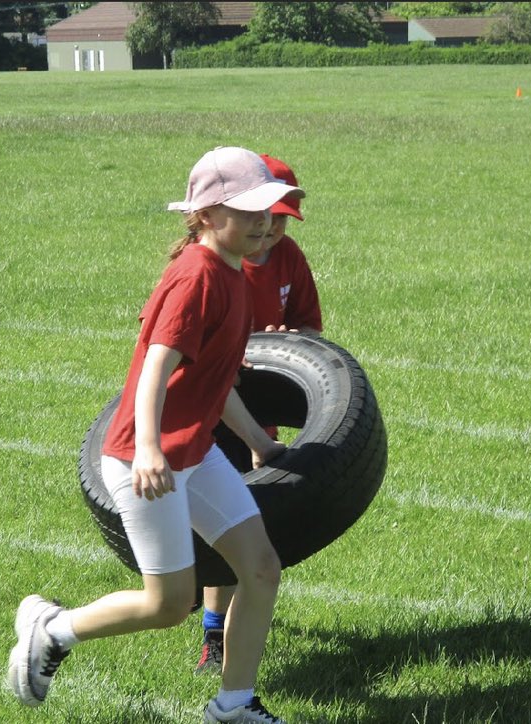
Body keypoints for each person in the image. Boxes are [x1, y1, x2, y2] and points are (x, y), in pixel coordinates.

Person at [6, 146, 303, 724]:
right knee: (167, 604)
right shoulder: (195, 277)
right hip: (144, 459)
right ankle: (53, 629)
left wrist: (258, 442)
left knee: (261, 568)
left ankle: (233, 705)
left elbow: (214, 383)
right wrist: (147, 448)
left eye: (265, 209)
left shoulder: (234, 273)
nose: (262, 221)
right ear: (206, 215)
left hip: (194, 452)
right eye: (246, 211)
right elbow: (153, 370)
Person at [197, 153, 323, 676]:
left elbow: (311, 331)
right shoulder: (219, 263)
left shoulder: (288, 257)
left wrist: (289, 340)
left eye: (280, 220)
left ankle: (238, 626)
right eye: (263, 217)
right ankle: (213, 633)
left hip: (260, 407)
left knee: (251, 518)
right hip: (216, 405)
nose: (270, 230)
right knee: (226, 520)